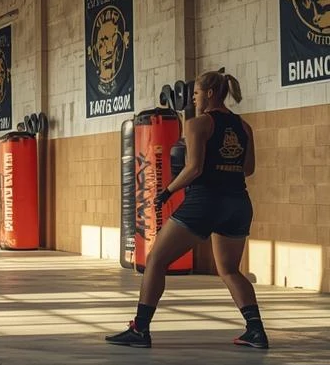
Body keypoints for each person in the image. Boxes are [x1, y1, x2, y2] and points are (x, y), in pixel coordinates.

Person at [107, 70, 266, 349]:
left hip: (205, 201)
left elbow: (194, 169)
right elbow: (249, 168)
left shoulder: (197, 124)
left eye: (196, 94)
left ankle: (140, 329)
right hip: (238, 204)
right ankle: (256, 331)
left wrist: (167, 191)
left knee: (156, 260)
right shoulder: (244, 127)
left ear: (210, 94)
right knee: (230, 270)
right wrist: (225, 169)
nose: (193, 99)